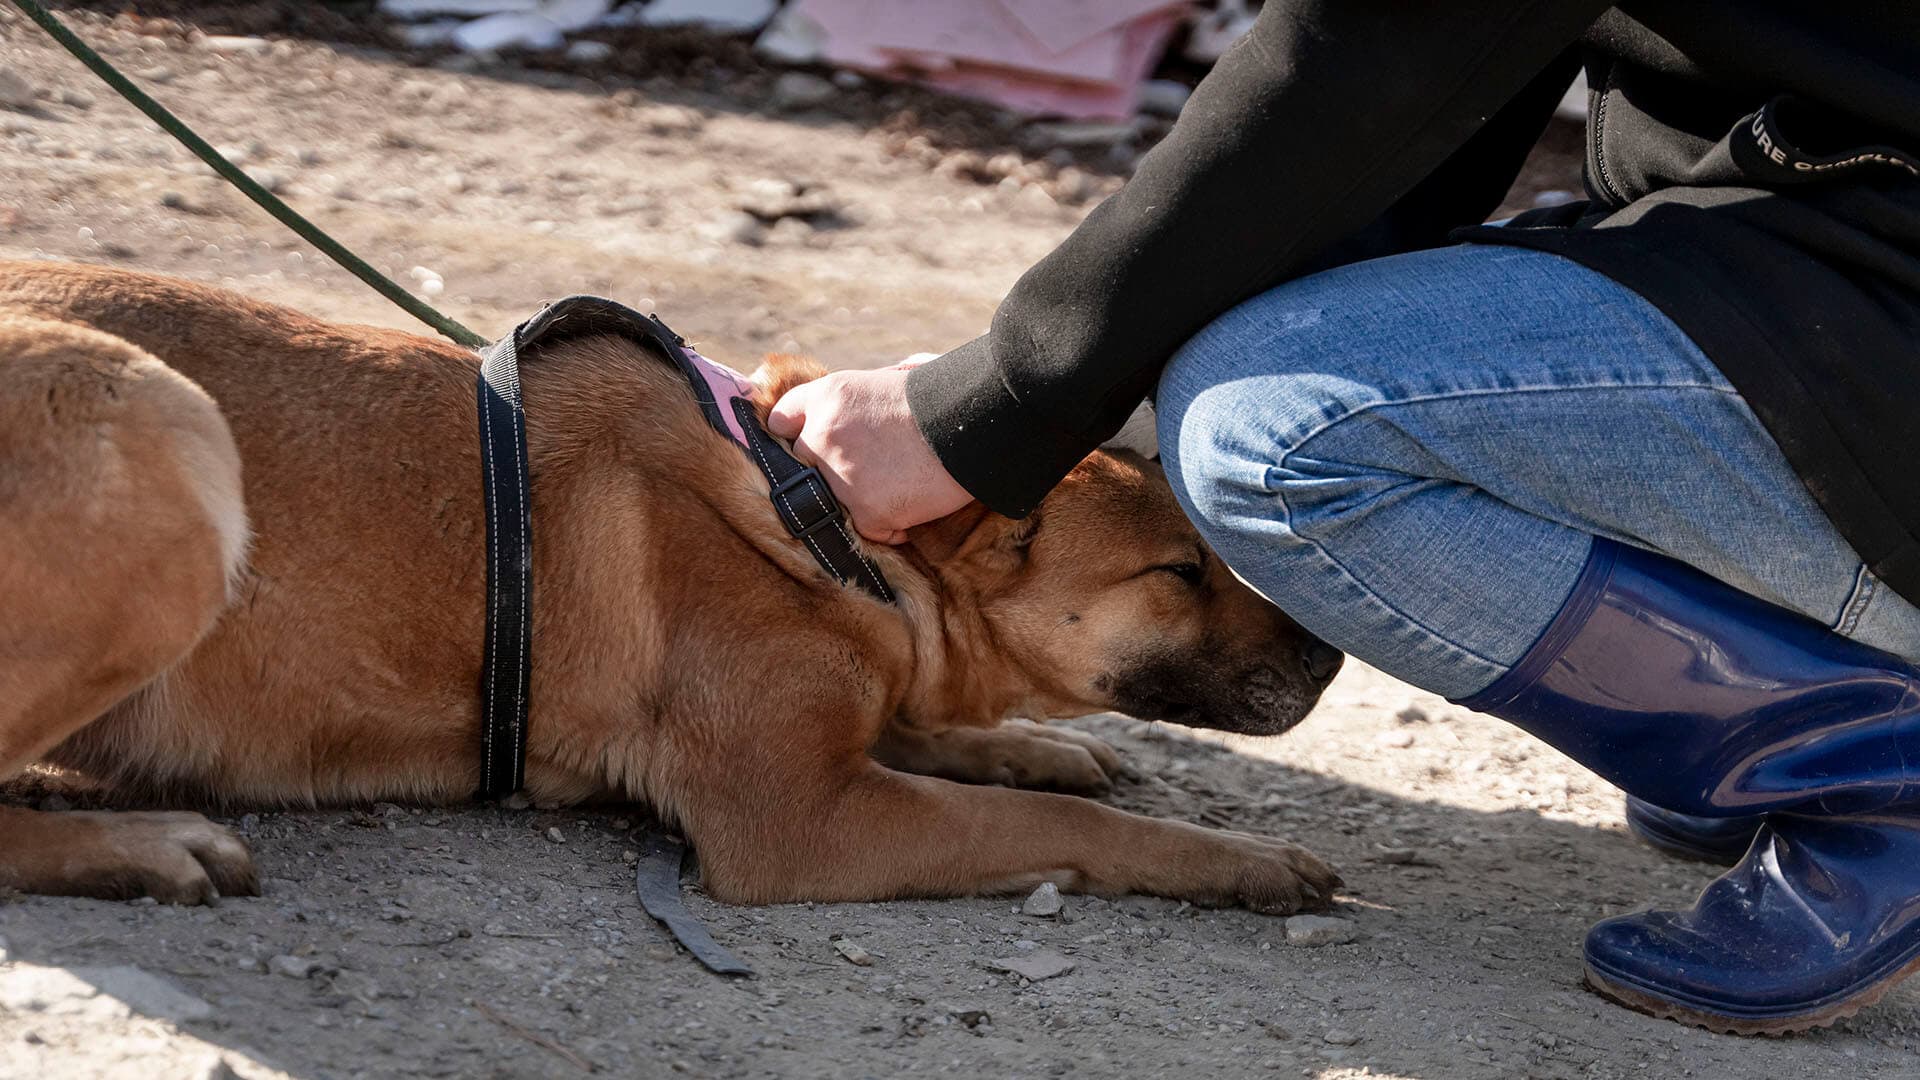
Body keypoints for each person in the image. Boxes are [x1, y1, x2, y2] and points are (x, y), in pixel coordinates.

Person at [766, 1, 1920, 1035]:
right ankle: (1766, 711)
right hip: (1822, 234)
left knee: (1276, 435)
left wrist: (1000, 397)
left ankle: (1874, 769)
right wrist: (1061, 391)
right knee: (1355, 341)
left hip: (1871, 269)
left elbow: (1377, 43)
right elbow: (1433, 90)